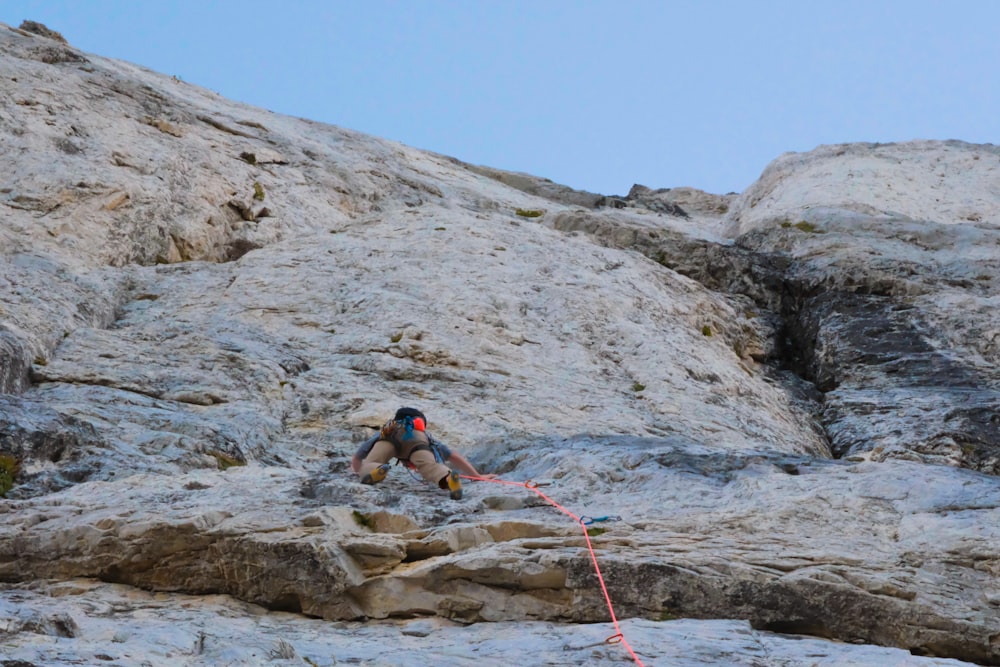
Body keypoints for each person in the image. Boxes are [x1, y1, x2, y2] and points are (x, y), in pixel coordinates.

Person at [351, 407, 495, 500]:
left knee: (372, 461)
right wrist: (477, 476)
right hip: (418, 443)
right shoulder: (424, 435)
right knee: (431, 468)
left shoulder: (389, 430)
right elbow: (453, 456)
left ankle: (375, 470)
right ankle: (448, 477)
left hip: (390, 437)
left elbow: (359, 455)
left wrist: (357, 470)